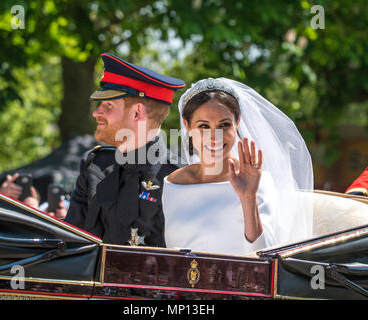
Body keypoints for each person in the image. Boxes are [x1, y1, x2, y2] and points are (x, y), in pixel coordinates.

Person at [162, 78, 314, 255]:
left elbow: (265, 256)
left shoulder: (258, 181)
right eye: (203, 126)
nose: (215, 136)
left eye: (224, 125)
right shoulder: (174, 183)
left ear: (237, 122)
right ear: (188, 126)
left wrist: (248, 197)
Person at [64, 53, 185, 247]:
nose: (96, 112)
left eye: (108, 106)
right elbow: (70, 241)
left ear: (137, 112)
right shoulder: (94, 164)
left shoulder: (179, 176)